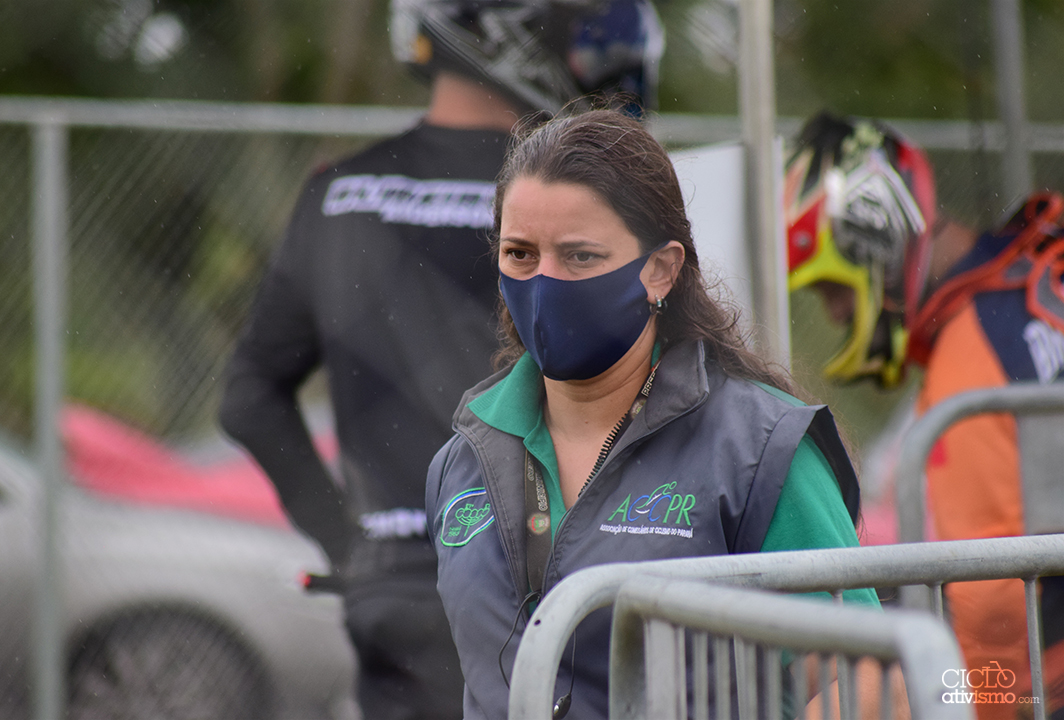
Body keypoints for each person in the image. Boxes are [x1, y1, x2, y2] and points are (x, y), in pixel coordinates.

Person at [218, 1, 665, 718]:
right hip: (549, 577)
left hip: (396, 584)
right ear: (515, 32)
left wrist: (349, 542)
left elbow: (248, 397)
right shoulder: (568, 206)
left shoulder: (336, 194)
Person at [425, 108, 881, 720]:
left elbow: (864, 681)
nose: (545, 282)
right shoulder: (463, 458)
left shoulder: (760, 450)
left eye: (580, 256)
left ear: (660, 269)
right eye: (520, 253)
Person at [784, 111, 1064, 720]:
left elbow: (994, 599)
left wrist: (975, 705)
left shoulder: (973, 354)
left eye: (833, 289)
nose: (835, 315)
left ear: (877, 240)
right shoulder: (1035, 275)